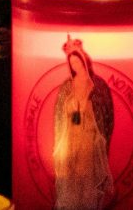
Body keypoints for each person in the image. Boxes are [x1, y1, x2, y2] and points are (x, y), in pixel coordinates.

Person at [49, 38, 114, 208]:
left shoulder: (97, 84)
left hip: (89, 135)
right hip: (72, 135)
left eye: (77, 61)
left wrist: (87, 106)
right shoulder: (68, 85)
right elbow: (60, 111)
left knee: (86, 172)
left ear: (84, 61)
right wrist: (70, 106)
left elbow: (104, 112)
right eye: (72, 63)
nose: (75, 65)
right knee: (72, 172)